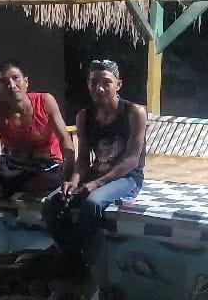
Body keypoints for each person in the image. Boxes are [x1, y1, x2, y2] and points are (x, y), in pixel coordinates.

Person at [44, 59, 147, 277]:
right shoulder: (84, 116)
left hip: (126, 176)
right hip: (96, 173)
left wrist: (96, 184)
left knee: (93, 203)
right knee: (53, 202)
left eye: (106, 82)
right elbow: (83, 158)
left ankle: (66, 259)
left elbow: (132, 160)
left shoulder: (134, 112)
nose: (99, 88)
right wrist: (73, 181)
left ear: (118, 84)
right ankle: (75, 260)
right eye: (93, 83)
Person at [0, 60, 75, 199]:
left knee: (49, 182)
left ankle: (4, 187)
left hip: (45, 166)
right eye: (3, 82)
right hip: (13, 166)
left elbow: (64, 138)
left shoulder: (44, 101)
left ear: (26, 82)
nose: (11, 85)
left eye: (16, 78)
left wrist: (68, 163)